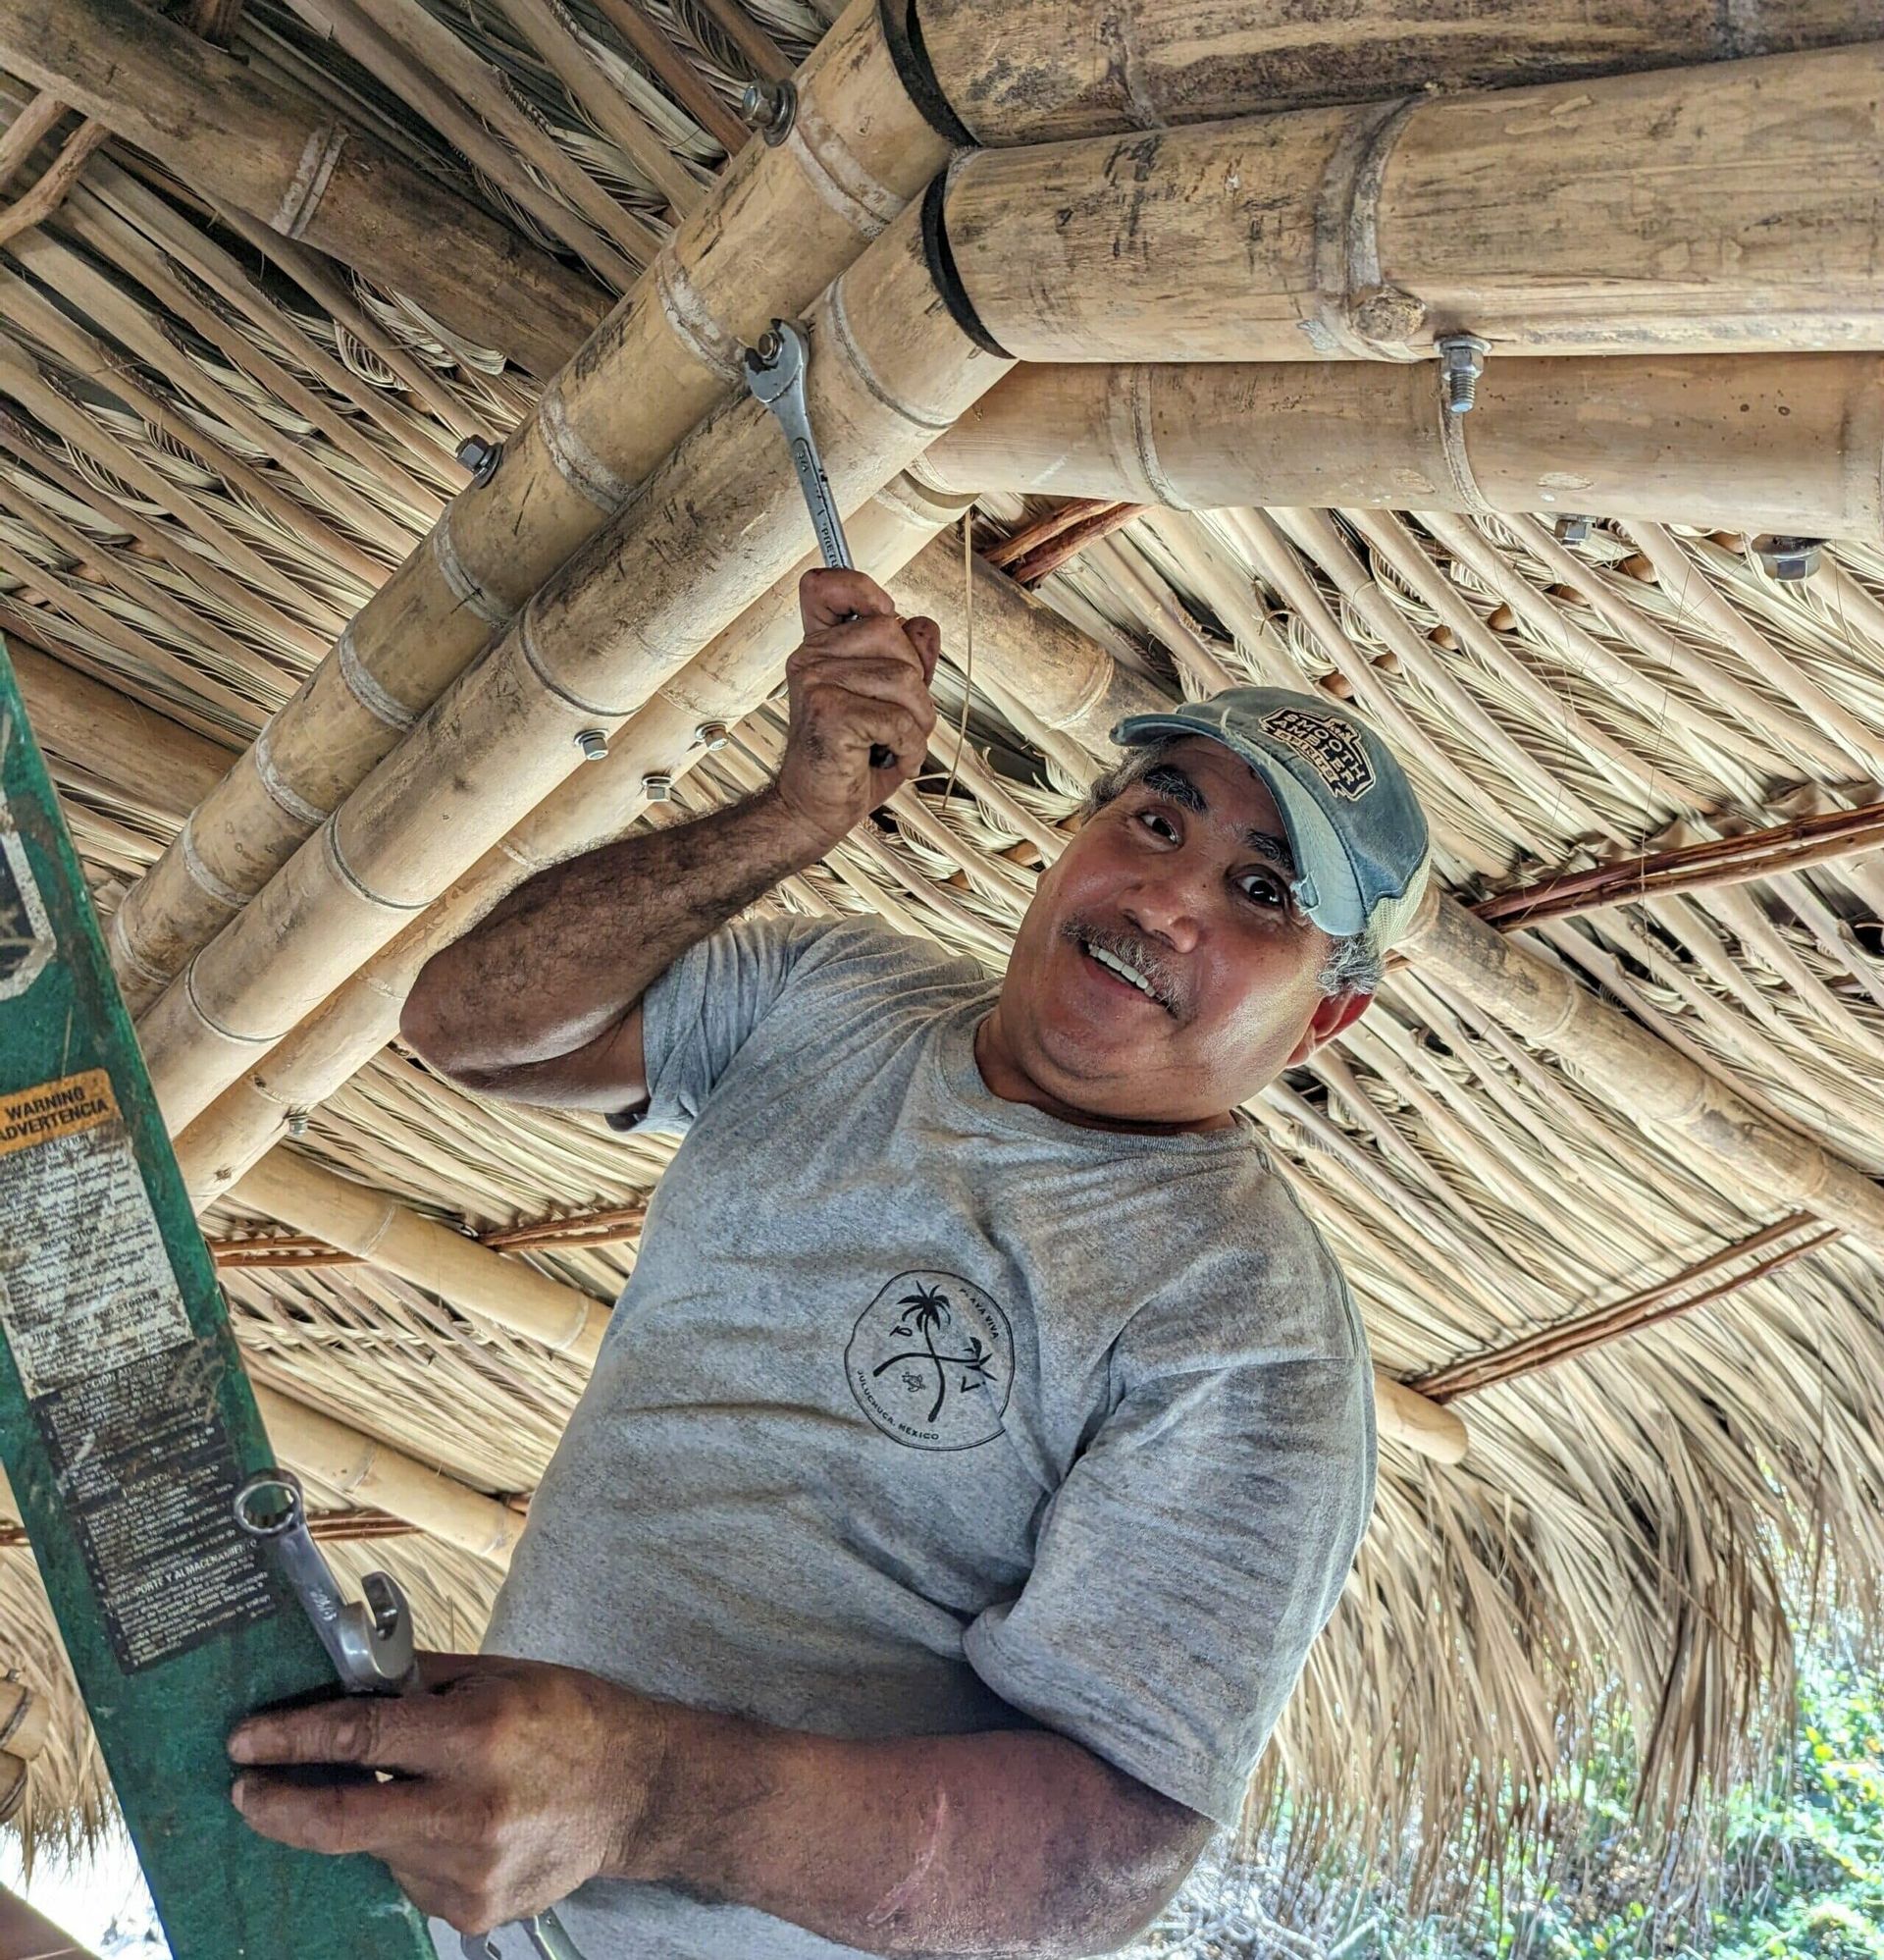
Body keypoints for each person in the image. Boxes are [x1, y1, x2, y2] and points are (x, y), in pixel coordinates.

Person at [227, 567, 1432, 1959]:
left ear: (1325, 1015)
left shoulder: (1244, 1324)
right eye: (1156, 819)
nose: (1169, 896)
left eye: (1260, 891)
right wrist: (791, 814)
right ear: (1076, 834)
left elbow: (1102, 1861)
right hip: (460, 1922)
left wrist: (643, 1789)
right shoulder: (839, 996)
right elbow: (467, 1019)